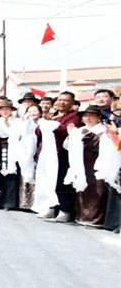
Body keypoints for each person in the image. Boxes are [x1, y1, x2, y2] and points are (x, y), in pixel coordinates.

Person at [64, 105, 109, 227]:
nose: (88, 118)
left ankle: (96, 219)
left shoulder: (104, 131)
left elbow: (99, 147)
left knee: (98, 191)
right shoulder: (78, 130)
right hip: (81, 164)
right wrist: (70, 136)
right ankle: (81, 216)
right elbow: (67, 146)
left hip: (96, 164)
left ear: (98, 117)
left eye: (92, 116)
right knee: (82, 189)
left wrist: (83, 137)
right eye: (86, 116)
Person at [0, 99, 23, 210]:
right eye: (2, 109)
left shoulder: (17, 121)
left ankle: (9, 202)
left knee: (10, 174)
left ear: (11, 110)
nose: (5, 111)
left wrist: (7, 128)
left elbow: (16, 134)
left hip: (10, 148)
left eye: (7, 109)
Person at [52, 92, 82, 222]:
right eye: (60, 100)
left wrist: (52, 124)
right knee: (52, 181)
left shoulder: (74, 116)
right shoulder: (53, 116)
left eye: (66, 100)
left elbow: (68, 131)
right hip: (49, 154)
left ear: (72, 103)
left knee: (64, 182)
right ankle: (53, 207)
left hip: (64, 154)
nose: (61, 102)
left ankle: (65, 210)